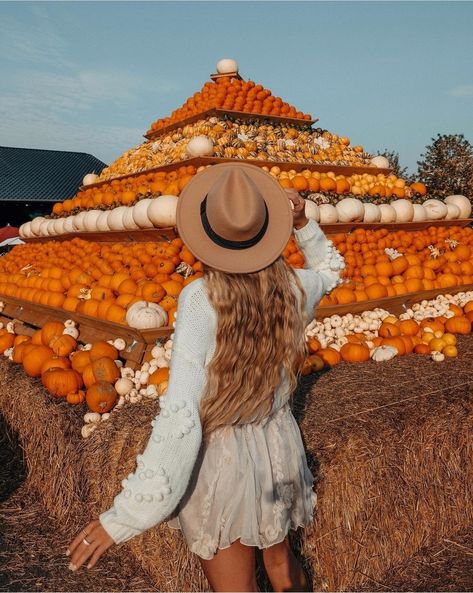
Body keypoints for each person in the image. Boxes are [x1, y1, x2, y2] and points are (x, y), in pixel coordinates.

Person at [66, 163, 344, 591]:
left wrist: (124, 517)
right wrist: (304, 222)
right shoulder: (296, 286)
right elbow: (331, 269)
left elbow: (182, 415)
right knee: (279, 560)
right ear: (268, 228)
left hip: (223, 461)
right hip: (278, 444)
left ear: (208, 233)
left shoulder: (200, 299)